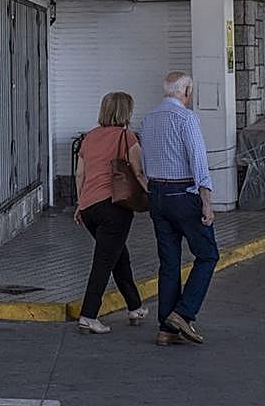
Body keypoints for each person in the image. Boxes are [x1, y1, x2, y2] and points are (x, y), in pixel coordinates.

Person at [138, 71, 220, 347]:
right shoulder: (186, 119)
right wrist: (206, 203)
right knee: (208, 254)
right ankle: (183, 313)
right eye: (191, 91)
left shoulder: (147, 120)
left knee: (169, 262)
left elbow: (146, 162)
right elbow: (199, 163)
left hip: (157, 194)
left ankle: (166, 328)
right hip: (183, 194)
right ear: (185, 91)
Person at [73, 91, 150, 334]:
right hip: (114, 208)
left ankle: (135, 306)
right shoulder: (127, 137)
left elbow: (79, 174)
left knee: (118, 255)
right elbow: (137, 172)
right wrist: (153, 196)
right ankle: (88, 315)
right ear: (126, 111)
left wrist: (79, 204)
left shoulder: (90, 137)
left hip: (89, 209)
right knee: (104, 261)